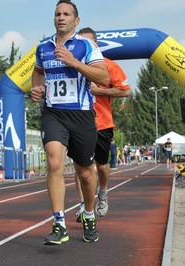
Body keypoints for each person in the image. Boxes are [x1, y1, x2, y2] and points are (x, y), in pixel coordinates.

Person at [30, 0, 110, 245]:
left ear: (76, 21)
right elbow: (37, 71)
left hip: (81, 115)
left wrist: (74, 62)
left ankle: (88, 214)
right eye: (57, 14)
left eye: (66, 14)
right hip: (53, 113)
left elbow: (104, 77)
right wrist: (36, 88)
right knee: (54, 162)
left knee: (85, 173)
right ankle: (59, 222)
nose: (61, 17)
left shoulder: (87, 46)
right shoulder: (43, 47)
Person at [73, 27, 130, 221]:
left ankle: (103, 194)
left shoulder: (108, 66)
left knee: (102, 165)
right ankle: (83, 204)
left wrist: (100, 92)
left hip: (102, 124)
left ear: (95, 45)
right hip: (79, 122)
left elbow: (125, 91)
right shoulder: (72, 65)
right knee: (80, 166)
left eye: (89, 42)